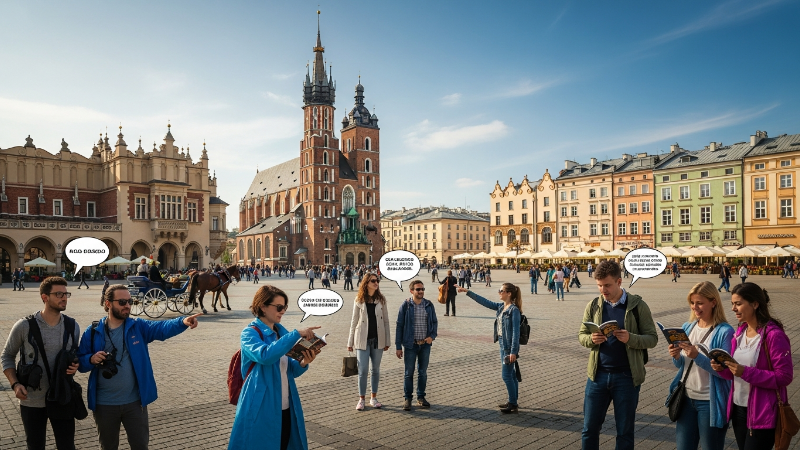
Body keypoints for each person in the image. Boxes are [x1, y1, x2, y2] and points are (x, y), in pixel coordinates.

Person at [78, 284, 202, 450]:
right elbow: (81, 362)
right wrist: (91, 359)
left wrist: (182, 322)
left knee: (140, 446)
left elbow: (160, 328)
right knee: (108, 446)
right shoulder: (93, 331)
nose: (127, 306)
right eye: (122, 302)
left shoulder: (137, 326)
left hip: (135, 403)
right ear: (108, 304)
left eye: (130, 301)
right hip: (104, 404)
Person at [578, 260, 658, 450]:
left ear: (619, 281)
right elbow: (582, 335)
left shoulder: (638, 306)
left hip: (627, 377)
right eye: (599, 285)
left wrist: (631, 338)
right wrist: (592, 339)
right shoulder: (594, 305)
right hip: (597, 376)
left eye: (607, 285)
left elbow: (652, 339)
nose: (603, 290)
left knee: (624, 431)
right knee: (589, 429)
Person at [228, 285, 320, 449]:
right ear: (263, 306)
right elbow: (265, 356)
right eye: (279, 307)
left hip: (285, 404)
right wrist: (296, 334)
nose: (283, 311)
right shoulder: (250, 333)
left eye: (284, 307)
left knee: (284, 444)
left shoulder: (281, 334)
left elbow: (290, 370)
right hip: (261, 406)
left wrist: (304, 362)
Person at [710, 282, 793, 450]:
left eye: (738, 303)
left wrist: (745, 372)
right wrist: (724, 369)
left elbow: (784, 376)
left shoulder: (774, 335)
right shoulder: (740, 332)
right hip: (738, 409)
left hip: (762, 412)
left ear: (755, 304)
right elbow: (736, 374)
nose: (733, 308)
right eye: (732, 304)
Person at [1, 277, 80, 450]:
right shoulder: (24, 326)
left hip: (62, 397)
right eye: (59, 294)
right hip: (32, 400)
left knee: (67, 446)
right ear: (45, 297)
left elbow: (75, 355)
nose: (64, 298)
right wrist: (14, 384)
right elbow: (7, 356)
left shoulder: (73, 326)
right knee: (35, 446)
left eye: (66, 294)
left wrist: (76, 364)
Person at [666, 281, 733, 450]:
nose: (695, 307)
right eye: (692, 302)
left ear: (713, 302)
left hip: (709, 402)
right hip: (686, 399)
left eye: (700, 303)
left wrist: (697, 356)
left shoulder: (724, 331)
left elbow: (724, 372)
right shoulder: (687, 327)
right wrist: (676, 356)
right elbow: (682, 365)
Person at [458, 283, 522, 413]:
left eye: (501, 290)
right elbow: (485, 302)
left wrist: (513, 351)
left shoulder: (513, 310)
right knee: (511, 375)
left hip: (508, 347)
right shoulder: (502, 307)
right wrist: (468, 292)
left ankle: (513, 403)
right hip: (502, 345)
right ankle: (513, 401)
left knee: (506, 376)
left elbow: (516, 332)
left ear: (509, 293)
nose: (499, 292)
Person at [347, 274, 391, 411]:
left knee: (375, 370)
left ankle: (374, 397)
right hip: (361, 339)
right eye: (373, 281)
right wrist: (350, 341)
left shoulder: (381, 300)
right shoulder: (359, 300)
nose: (376, 283)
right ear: (366, 283)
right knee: (363, 370)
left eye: (377, 280)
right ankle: (361, 399)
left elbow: (386, 321)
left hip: (378, 339)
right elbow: (354, 322)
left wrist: (387, 340)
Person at [395, 280, 438, 411]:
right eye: (418, 289)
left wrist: (432, 336)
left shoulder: (429, 305)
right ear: (411, 291)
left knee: (422, 372)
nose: (421, 292)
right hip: (410, 345)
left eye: (422, 289)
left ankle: (421, 397)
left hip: (425, 344)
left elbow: (434, 322)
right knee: (409, 373)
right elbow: (399, 326)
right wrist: (398, 346)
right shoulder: (406, 305)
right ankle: (408, 399)